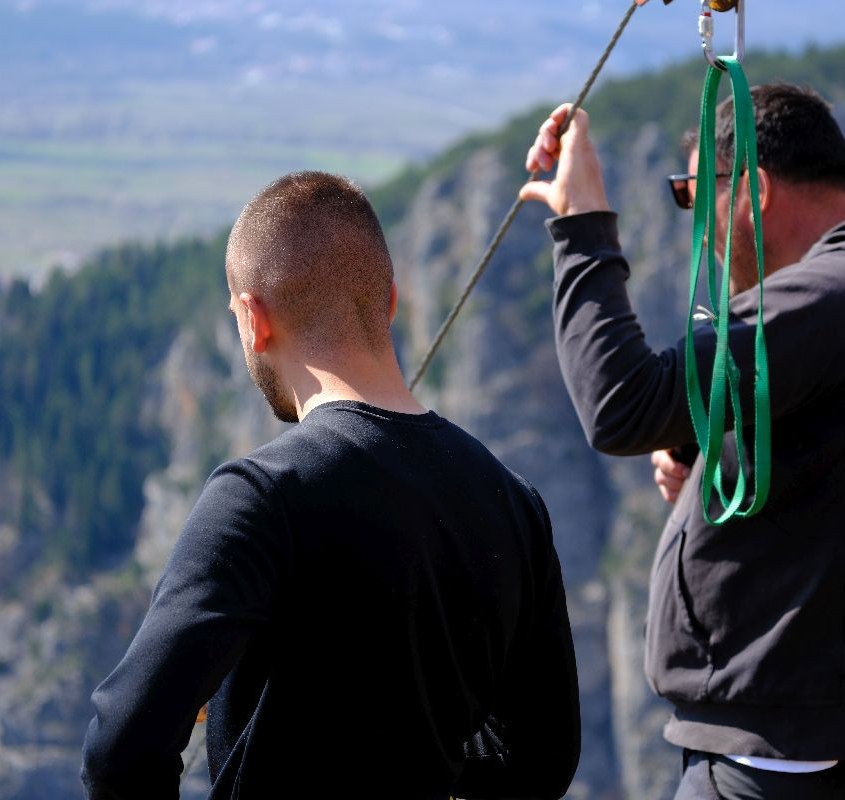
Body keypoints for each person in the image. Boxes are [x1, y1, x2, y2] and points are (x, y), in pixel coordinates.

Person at [519, 84, 845, 798]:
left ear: (752, 189)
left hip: (781, 760)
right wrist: (710, 471)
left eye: (694, 196)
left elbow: (620, 403)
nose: (700, 233)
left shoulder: (837, 295)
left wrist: (583, 224)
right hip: (843, 747)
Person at [81, 171, 581, 799]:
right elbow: (544, 760)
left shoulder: (260, 498)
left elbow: (120, 749)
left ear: (252, 319)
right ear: (391, 302)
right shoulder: (515, 502)